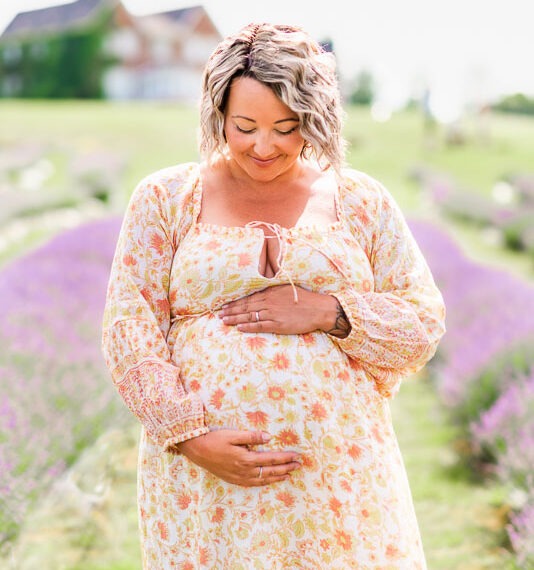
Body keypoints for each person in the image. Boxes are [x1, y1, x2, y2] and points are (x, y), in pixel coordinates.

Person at [101, 22, 446, 569]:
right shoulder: (166, 198)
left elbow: (422, 325)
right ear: (218, 116)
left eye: (287, 127)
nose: (264, 147)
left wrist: (330, 312)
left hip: (338, 476)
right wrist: (190, 437)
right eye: (245, 126)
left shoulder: (361, 202)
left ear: (317, 120)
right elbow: (130, 326)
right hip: (207, 484)